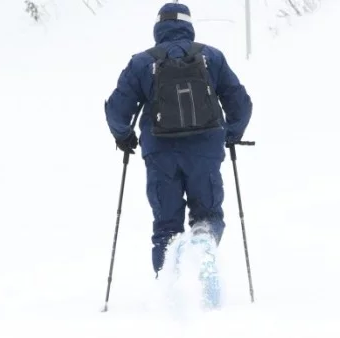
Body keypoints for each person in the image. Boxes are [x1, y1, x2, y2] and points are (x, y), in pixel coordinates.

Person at [104, 2, 252, 278]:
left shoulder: (142, 62)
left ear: (158, 27)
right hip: (205, 152)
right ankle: (205, 271)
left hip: (161, 156)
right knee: (206, 219)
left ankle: (169, 290)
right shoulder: (212, 57)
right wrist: (230, 135)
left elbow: (116, 110)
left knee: (167, 225)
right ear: (189, 25)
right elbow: (241, 105)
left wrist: (124, 137)